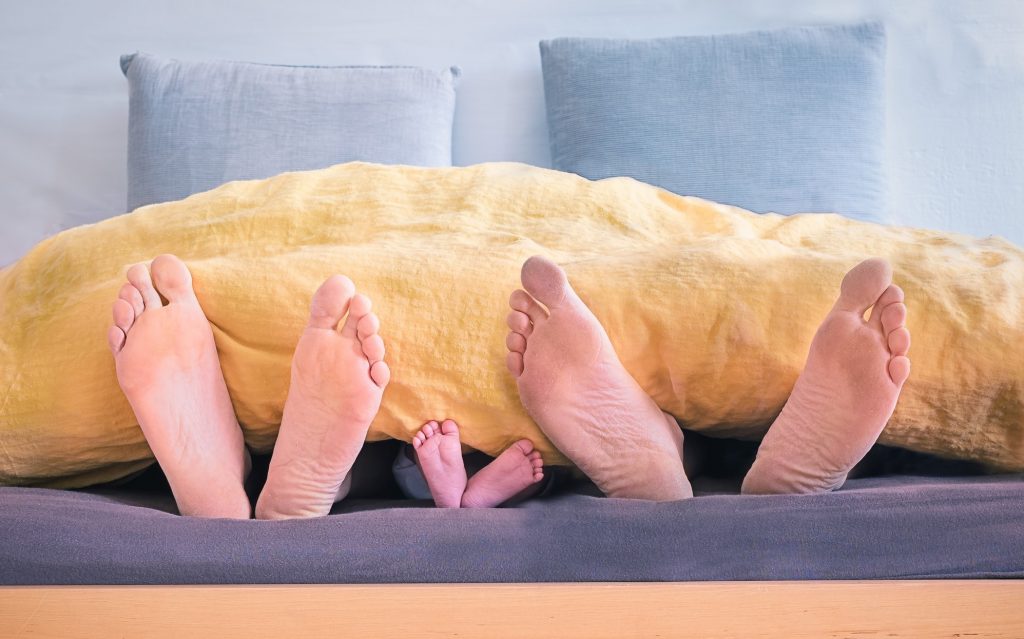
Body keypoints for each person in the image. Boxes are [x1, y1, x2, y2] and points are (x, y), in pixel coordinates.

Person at [107, 252, 910, 518]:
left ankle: (234, 486)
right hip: (524, 458)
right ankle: (685, 461)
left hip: (425, 461)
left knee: (383, 440)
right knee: (691, 435)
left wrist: (462, 493)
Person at [107, 254, 546, 519]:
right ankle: (455, 497)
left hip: (410, 455)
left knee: (381, 442)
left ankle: (230, 478)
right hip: (430, 462)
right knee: (515, 449)